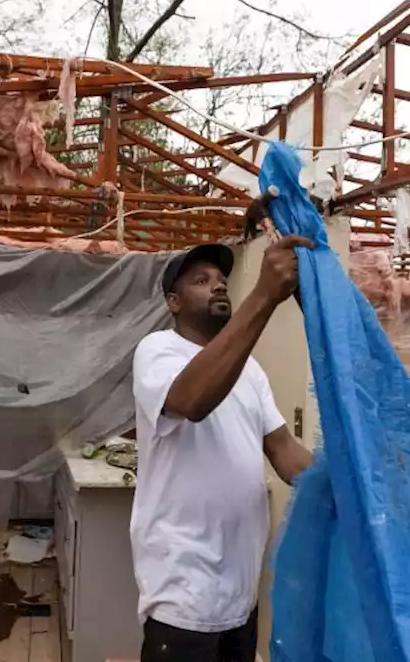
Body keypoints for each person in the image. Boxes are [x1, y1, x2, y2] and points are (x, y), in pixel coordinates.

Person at [129, 236, 316, 662]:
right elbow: (191, 401)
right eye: (201, 280)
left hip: (240, 597)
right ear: (173, 302)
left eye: (221, 280)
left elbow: (284, 450)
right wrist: (265, 296)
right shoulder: (158, 351)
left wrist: (349, 482)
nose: (218, 285)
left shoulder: (250, 370)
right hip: (182, 595)